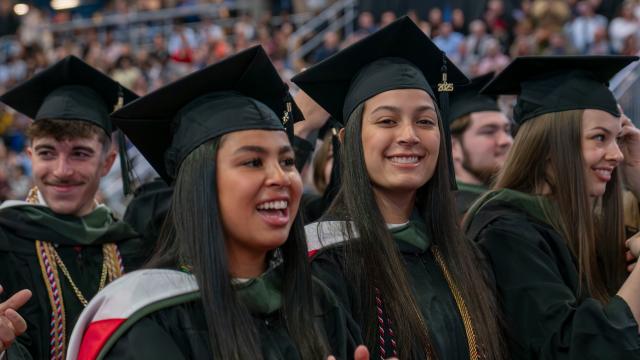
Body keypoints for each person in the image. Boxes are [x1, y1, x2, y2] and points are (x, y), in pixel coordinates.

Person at [67, 46, 359, 360]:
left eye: (287, 162)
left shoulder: (319, 304)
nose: (281, 177)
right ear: (199, 183)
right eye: (252, 162)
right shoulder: (150, 325)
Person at [293, 17, 506, 360]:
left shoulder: (465, 254)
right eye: (387, 121)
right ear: (348, 141)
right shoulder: (323, 263)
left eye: (425, 121)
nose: (409, 135)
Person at [464, 55, 640, 359]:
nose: (617, 155)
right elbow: (568, 349)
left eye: (617, 138)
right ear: (549, 147)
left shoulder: (584, 224)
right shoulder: (506, 234)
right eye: (600, 137)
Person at [0, 55, 146, 359]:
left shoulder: (131, 245)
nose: (62, 170)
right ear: (29, 155)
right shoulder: (5, 236)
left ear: (107, 163)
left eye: (80, 153)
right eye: (47, 152)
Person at [449, 72, 513, 217]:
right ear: (454, 147)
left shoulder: (503, 201)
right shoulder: (457, 218)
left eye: (507, 130)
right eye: (489, 131)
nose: (506, 140)